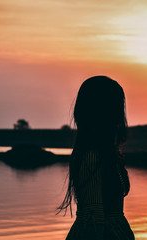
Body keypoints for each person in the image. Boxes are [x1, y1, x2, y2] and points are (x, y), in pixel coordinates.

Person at [58, 76, 135, 240]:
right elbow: (94, 220)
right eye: (117, 107)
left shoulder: (109, 156)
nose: (120, 116)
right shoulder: (92, 158)